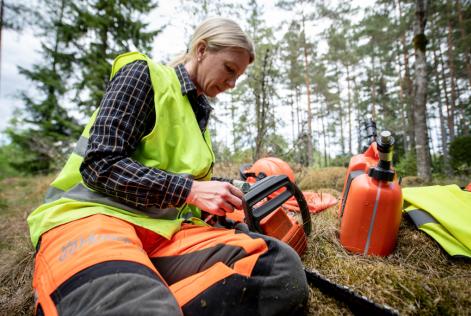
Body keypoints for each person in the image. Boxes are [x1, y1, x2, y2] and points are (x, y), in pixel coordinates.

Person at [27, 17, 309, 315]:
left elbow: (186, 188)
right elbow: (99, 165)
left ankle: (154, 294)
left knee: (279, 270)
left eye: (237, 76)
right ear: (201, 50)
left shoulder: (198, 118)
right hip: (94, 221)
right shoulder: (144, 76)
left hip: (165, 234)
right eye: (229, 69)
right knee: (133, 306)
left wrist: (227, 195)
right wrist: (191, 190)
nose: (232, 83)